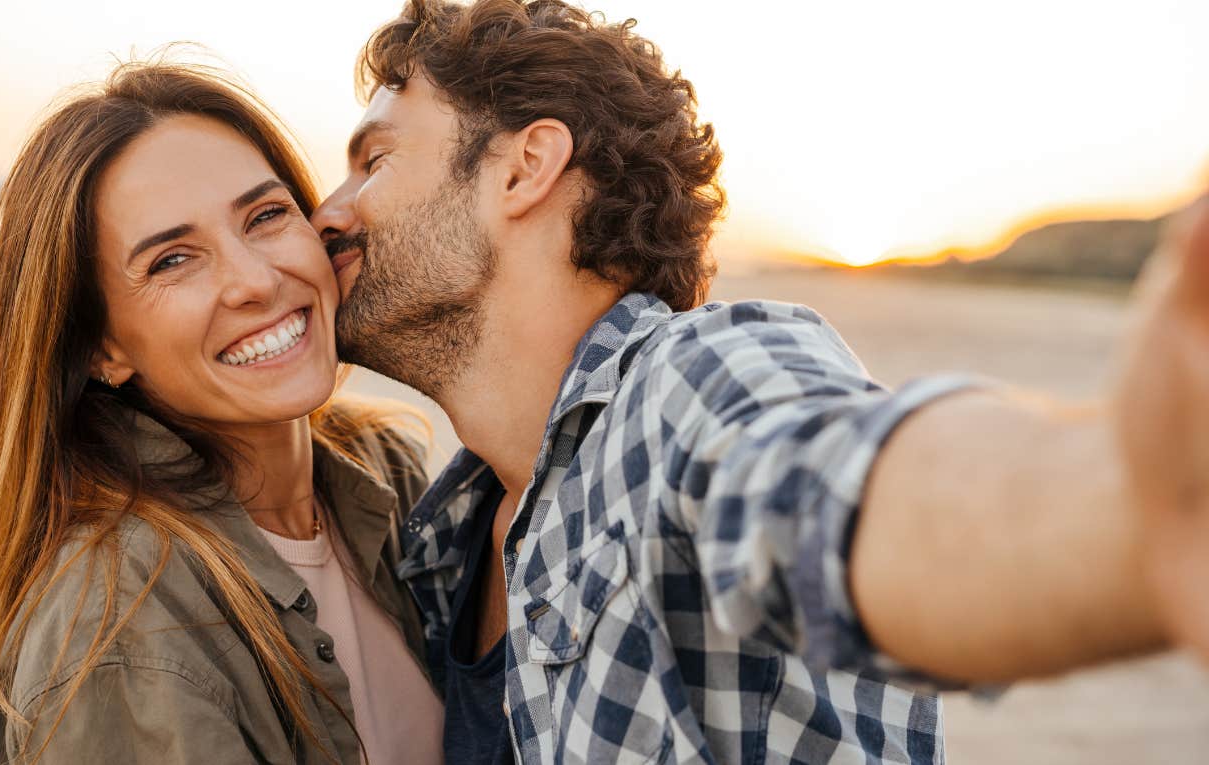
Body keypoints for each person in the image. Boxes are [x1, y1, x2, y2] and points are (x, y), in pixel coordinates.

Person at [309, 1, 1208, 762]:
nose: (328, 210)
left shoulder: (681, 387)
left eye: (374, 160)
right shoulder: (443, 541)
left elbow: (836, 487)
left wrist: (1124, 507)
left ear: (523, 167)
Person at [0, 60, 444, 764]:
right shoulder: (122, 630)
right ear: (101, 347)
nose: (256, 280)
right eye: (172, 260)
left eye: (266, 216)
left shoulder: (384, 472)